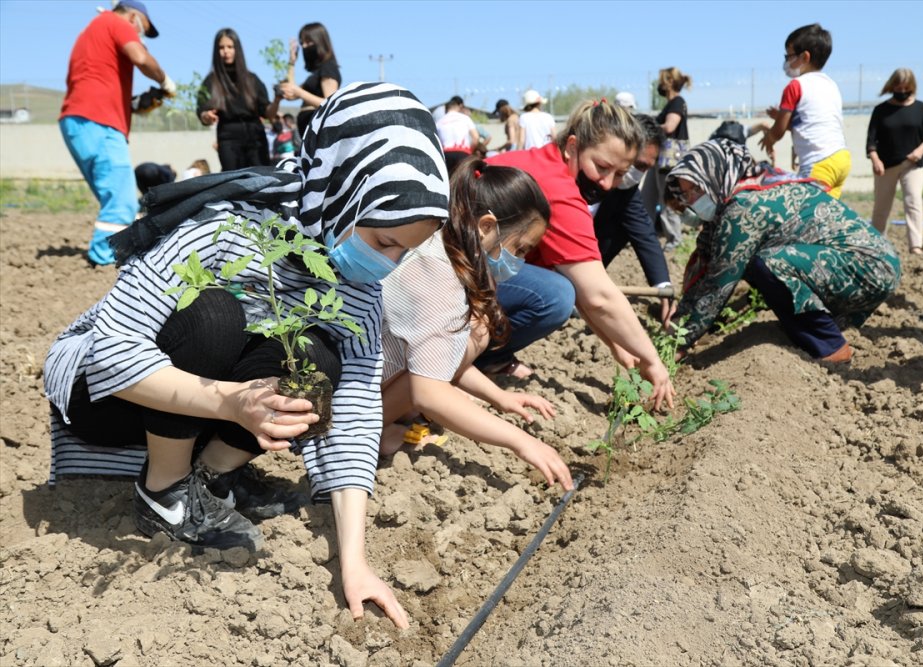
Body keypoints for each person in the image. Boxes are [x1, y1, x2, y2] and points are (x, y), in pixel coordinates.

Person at [44, 82, 450, 629]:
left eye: (406, 250)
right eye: (383, 243)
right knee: (214, 313)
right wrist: (234, 402)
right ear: (338, 190)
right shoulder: (230, 224)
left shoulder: (357, 287)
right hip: (108, 400)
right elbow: (111, 354)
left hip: (198, 406)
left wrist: (355, 562)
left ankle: (207, 480)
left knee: (316, 360)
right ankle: (164, 489)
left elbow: (354, 404)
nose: (390, 264)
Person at [379, 159, 574, 491]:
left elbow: (441, 354)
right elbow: (427, 388)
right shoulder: (435, 276)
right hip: (347, 407)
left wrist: (500, 398)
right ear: (486, 226)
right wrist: (521, 441)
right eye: (520, 248)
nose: (520, 260)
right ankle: (375, 432)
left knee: (477, 328)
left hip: (372, 383)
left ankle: (384, 423)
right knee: (468, 337)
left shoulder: (445, 249)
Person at [483, 100, 675, 409]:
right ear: (572, 146)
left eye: (619, 173)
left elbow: (579, 282)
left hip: (454, 266)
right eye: (601, 167)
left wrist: (617, 345)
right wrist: (652, 360)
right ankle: (474, 359)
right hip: (443, 275)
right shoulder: (556, 187)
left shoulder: (545, 161)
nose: (606, 182)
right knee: (554, 297)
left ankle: (481, 355)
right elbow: (597, 295)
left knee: (558, 286)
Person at [664, 139, 901, 363]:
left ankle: (830, 347)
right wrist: (679, 319)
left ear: (716, 176)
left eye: (696, 189)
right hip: (858, 262)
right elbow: (709, 261)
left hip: (868, 266)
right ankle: (813, 328)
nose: (693, 200)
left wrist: (677, 342)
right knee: (758, 262)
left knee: (766, 264)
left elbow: (719, 282)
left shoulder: (744, 208)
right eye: (687, 194)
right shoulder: (750, 188)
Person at [58, 0, 176, 266]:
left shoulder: (95, 29)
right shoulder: (116, 22)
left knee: (114, 199)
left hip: (80, 121)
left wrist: (137, 104)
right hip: (99, 123)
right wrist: (164, 80)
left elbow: (98, 83)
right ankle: (104, 259)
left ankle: (113, 251)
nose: (141, 36)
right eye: (143, 29)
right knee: (122, 201)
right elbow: (141, 58)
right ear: (134, 17)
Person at [593, 114, 674, 324]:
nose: (638, 174)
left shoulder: (626, 192)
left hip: (584, 262)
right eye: (637, 165)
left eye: (646, 168)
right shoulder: (577, 177)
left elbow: (645, 235)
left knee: (623, 228)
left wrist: (664, 287)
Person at [759, 24, 850, 199]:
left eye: (789, 55)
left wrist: (769, 138)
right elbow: (812, 122)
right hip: (841, 158)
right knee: (827, 214)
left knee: (807, 214)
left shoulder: (795, 86)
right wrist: (781, 117)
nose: (786, 61)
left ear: (805, 56)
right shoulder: (830, 85)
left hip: (818, 163)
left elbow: (778, 130)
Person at [866, 68, 923, 255]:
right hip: (885, 166)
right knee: (881, 206)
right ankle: (877, 244)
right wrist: (875, 160)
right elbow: (871, 141)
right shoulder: (881, 111)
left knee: (913, 201)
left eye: (906, 87)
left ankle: (916, 246)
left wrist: (920, 150)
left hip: (913, 164)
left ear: (912, 87)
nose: (902, 90)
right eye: (898, 86)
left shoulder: (921, 108)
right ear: (892, 86)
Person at [197, 28, 278, 172]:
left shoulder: (252, 80)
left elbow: (268, 113)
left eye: (230, 47)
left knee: (261, 179)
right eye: (221, 48)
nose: (226, 51)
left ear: (237, 49)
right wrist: (206, 116)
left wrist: (278, 99)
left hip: (255, 137)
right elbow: (202, 111)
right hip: (228, 138)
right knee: (234, 180)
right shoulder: (211, 81)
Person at [653, 67, 693, 249]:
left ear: (668, 82)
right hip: (664, 160)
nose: (659, 84)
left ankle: (674, 240)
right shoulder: (674, 103)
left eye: (661, 80)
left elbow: (670, 127)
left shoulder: (676, 102)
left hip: (669, 161)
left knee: (668, 198)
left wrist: (649, 126)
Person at [281, 23, 341, 137]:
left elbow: (330, 104)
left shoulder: (328, 68)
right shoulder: (315, 74)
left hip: (318, 132)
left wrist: (300, 93)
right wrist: (292, 62)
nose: (304, 46)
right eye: (302, 42)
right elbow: (290, 94)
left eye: (308, 42)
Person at [435, 96, 480, 174]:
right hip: (463, 152)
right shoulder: (465, 118)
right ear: (458, 108)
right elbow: (476, 138)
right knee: (465, 180)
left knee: (449, 181)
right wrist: (470, 151)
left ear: (446, 109)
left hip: (446, 154)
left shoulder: (438, 122)